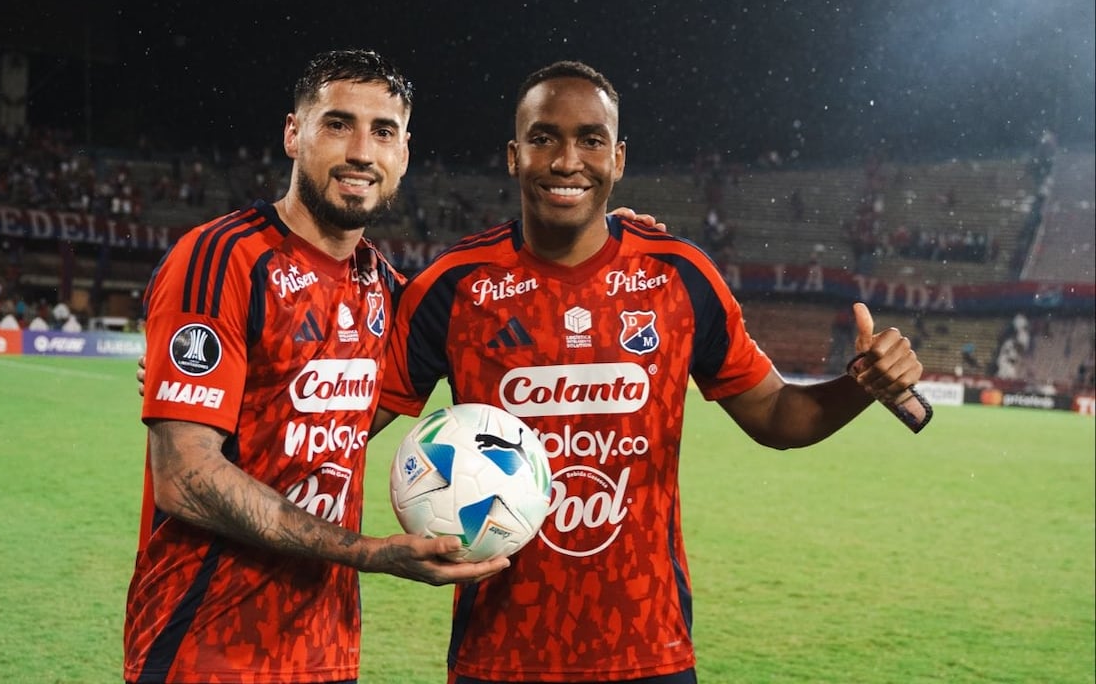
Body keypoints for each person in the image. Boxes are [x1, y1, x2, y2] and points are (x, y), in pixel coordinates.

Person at [369, 61, 925, 683]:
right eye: (543, 137)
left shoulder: (679, 277)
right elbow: (349, 421)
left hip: (647, 650)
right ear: (513, 154)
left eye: (590, 140)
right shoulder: (454, 287)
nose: (566, 160)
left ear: (619, 158)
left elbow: (775, 414)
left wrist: (860, 386)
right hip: (499, 655)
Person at [123, 50, 509, 684]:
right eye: (337, 124)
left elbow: (348, 416)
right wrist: (371, 552)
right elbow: (185, 478)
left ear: (404, 154)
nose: (362, 150)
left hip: (326, 648)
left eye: (383, 131)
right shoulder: (221, 259)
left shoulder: (386, 288)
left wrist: (609, 236)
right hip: (204, 645)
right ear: (292, 133)